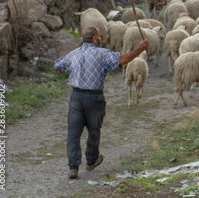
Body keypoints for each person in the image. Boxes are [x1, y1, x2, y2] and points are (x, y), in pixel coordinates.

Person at [54, 26, 148, 179]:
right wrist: (140, 49)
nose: (100, 38)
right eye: (99, 36)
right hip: (94, 97)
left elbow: (58, 67)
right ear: (94, 39)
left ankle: (73, 167)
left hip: (76, 97)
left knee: (73, 133)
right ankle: (91, 161)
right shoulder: (102, 53)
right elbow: (123, 60)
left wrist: (70, 70)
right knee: (94, 129)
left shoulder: (74, 54)